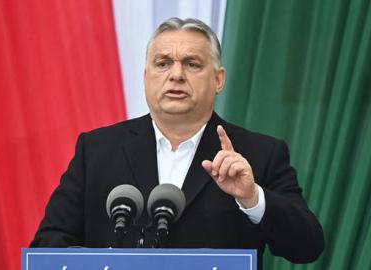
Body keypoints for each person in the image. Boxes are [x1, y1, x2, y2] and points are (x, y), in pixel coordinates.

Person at [30, 18, 324, 269]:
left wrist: (252, 198)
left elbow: (307, 246)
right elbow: (47, 246)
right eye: (163, 63)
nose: (176, 74)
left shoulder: (258, 155)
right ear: (146, 77)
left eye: (192, 63)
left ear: (218, 79)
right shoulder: (96, 150)